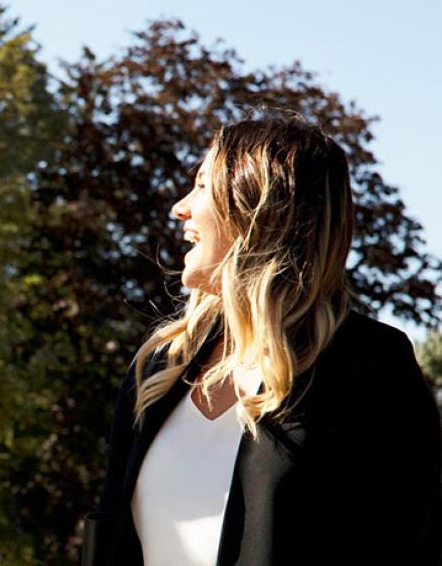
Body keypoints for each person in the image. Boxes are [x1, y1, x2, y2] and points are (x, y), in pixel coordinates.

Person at [84, 117, 442, 565]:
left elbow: (409, 546)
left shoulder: (370, 365)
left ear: (254, 207)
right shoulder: (158, 368)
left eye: (200, 186)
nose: (180, 207)